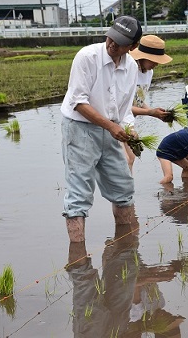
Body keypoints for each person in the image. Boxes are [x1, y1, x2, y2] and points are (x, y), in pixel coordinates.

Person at [60, 15, 142, 243]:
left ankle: (126, 248)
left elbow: (123, 106)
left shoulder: (131, 67)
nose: (112, 43)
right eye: (111, 37)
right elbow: (78, 101)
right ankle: (78, 258)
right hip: (80, 129)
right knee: (79, 194)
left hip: (110, 130)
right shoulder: (87, 57)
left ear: (133, 46)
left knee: (124, 188)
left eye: (120, 41)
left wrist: (128, 128)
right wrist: (111, 126)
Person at [122, 35, 173, 172]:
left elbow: (138, 100)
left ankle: (128, 192)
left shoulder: (149, 72)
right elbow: (122, 106)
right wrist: (150, 112)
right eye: (154, 60)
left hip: (128, 120)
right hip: (115, 120)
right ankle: (122, 192)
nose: (156, 64)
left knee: (131, 159)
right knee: (124, 160)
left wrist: (155, 113)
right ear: (143, 56)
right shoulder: (127, 70)